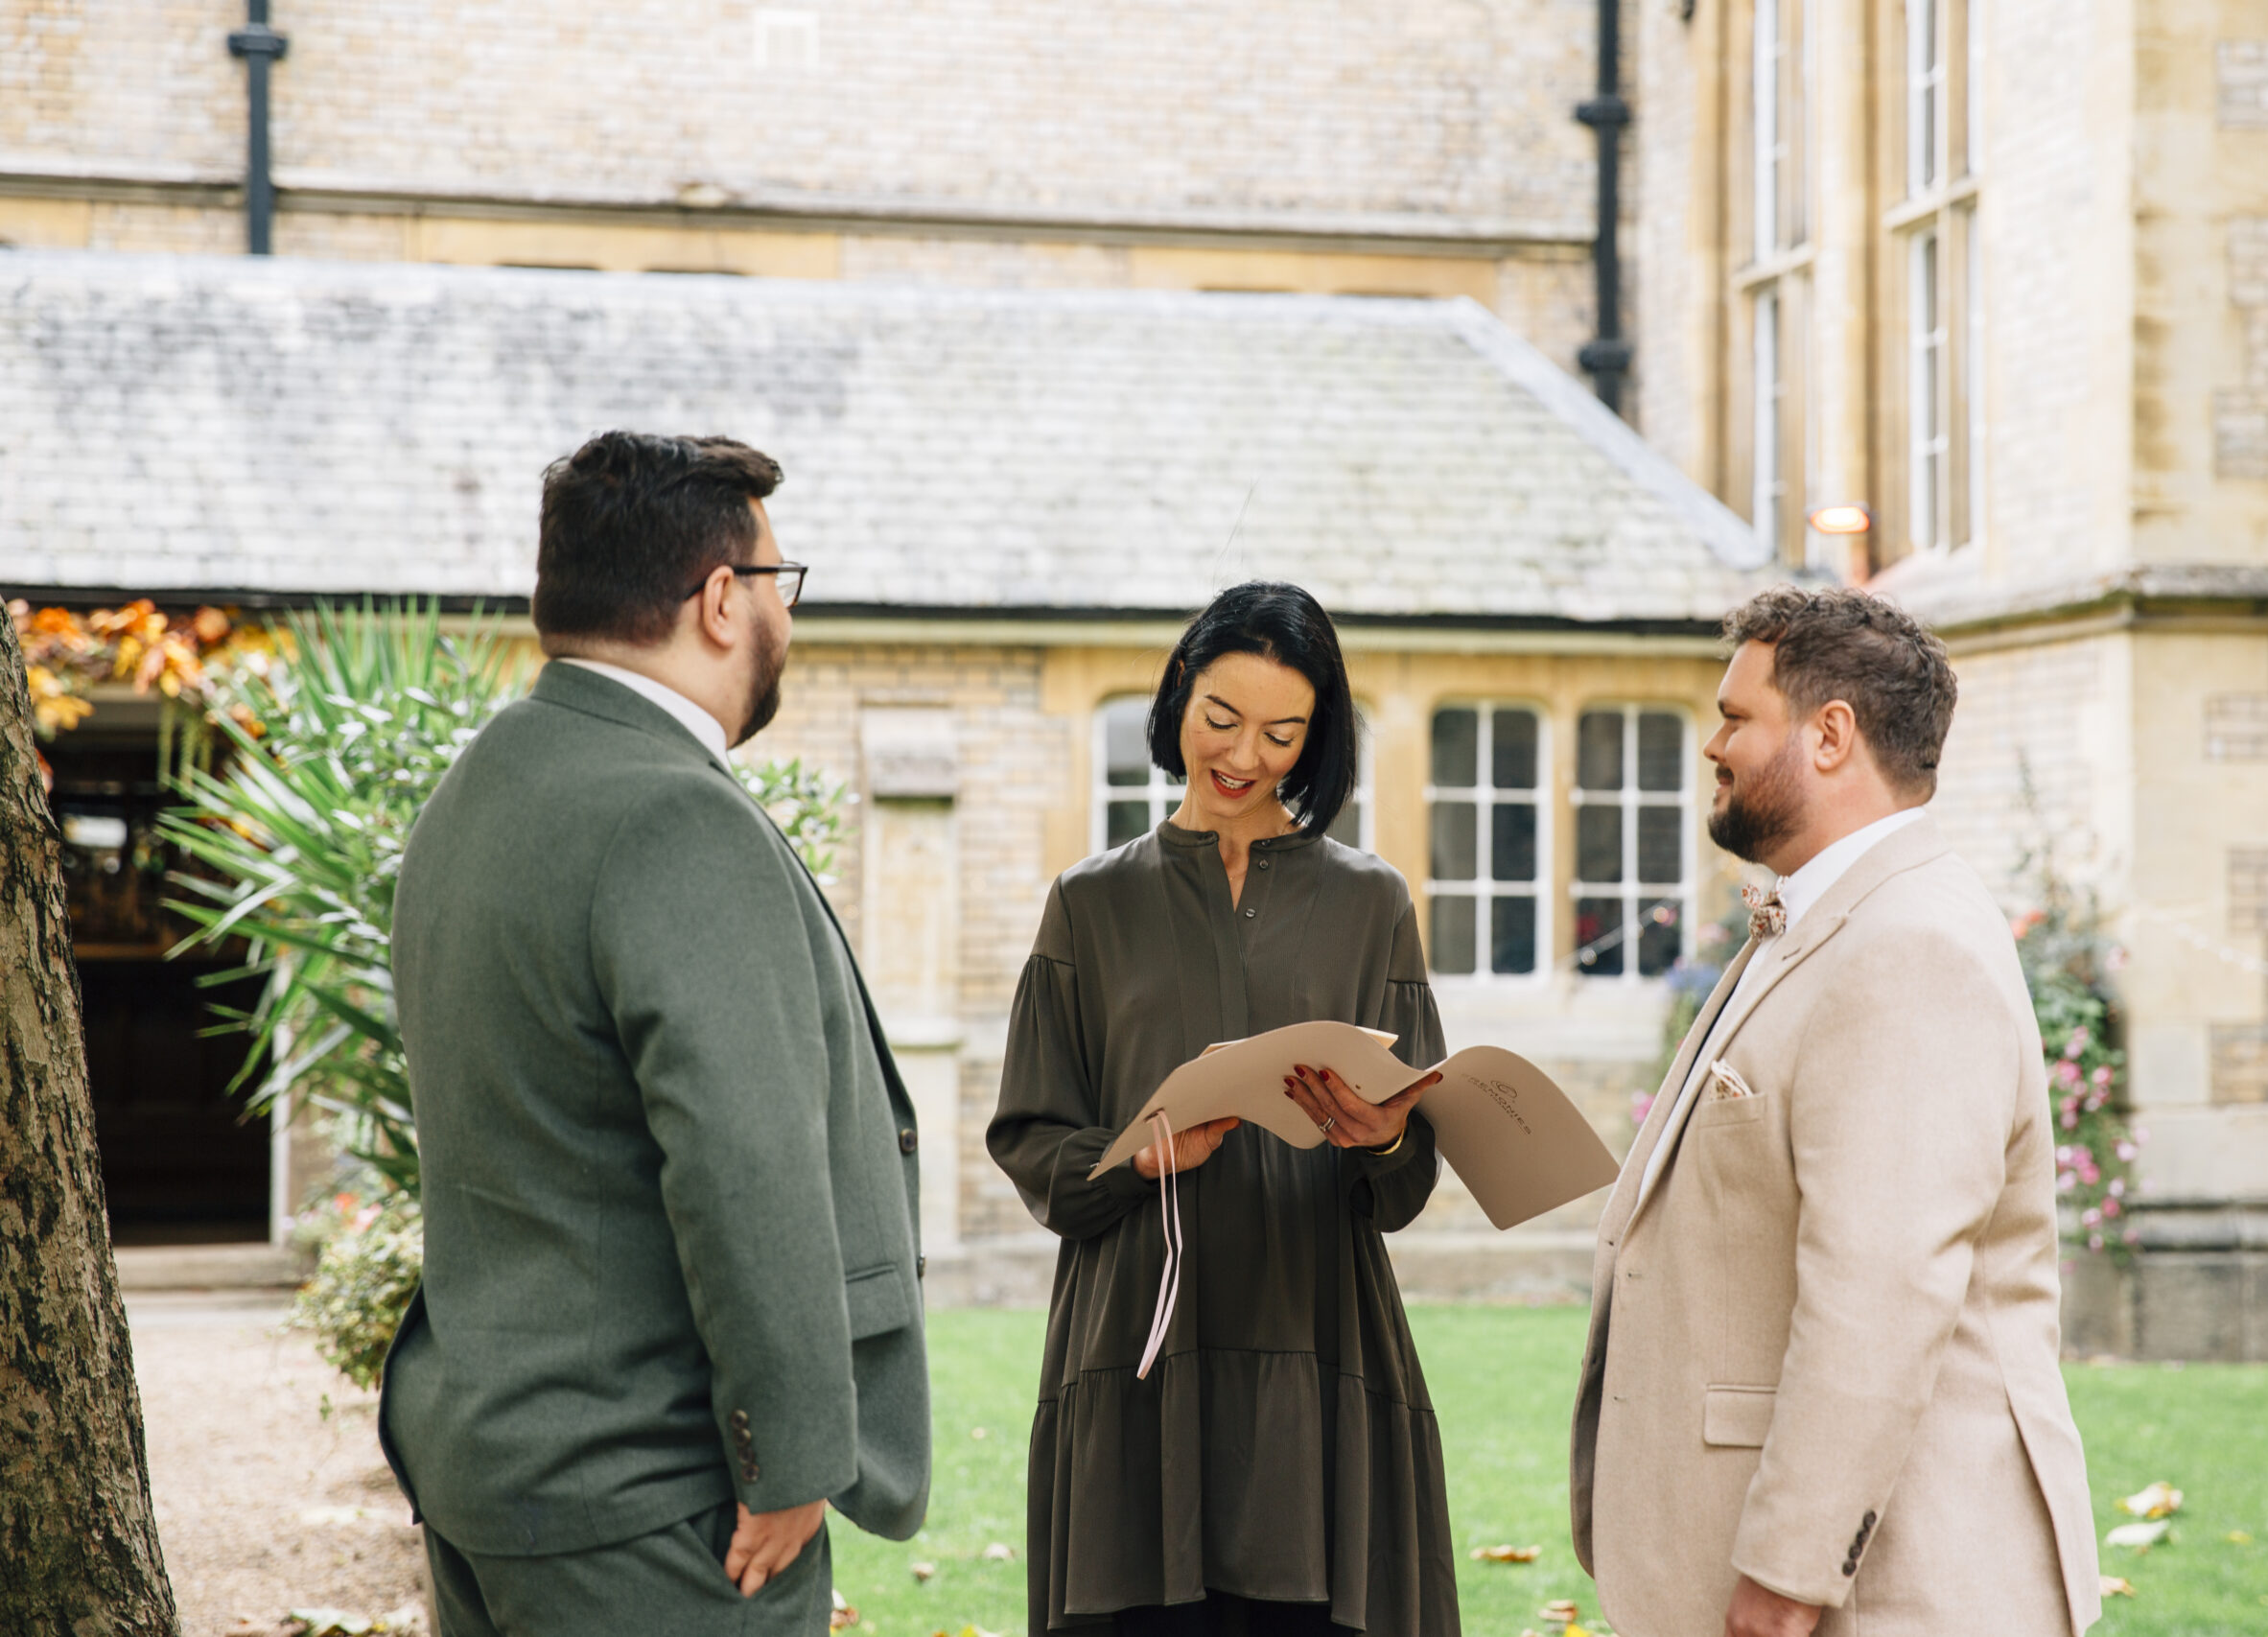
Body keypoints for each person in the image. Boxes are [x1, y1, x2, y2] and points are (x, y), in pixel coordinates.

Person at [381, 432, 930, 1636]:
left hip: (494, 1476)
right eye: (780, 583)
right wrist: (791, 1459)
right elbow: (747, 1167)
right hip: (657, 1515)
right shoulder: (675, 817)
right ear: (723, 600)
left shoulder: (474, 795)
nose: (787, 615)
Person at [1569, 586, 2100, 1637]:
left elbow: (1881, 1289)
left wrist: (1788, 1574)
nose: (1713, 743)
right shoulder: (1825, 920)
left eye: (1735, 715)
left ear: (1829, 734)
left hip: (1890, 1591)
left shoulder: (1908, 947)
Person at [988, 581, 1461, 1637]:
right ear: (1177, 701)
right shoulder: (1090, 902)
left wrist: (1381, 1134)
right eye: (1220, 718)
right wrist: (1137, 1157)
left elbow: (1410, 1174)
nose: (1244, 755)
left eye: (1282, 733)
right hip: (1137, 1346)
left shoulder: (1370, 903)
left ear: (1317, 740)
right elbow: (1030, 1138)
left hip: (1316, 1338)